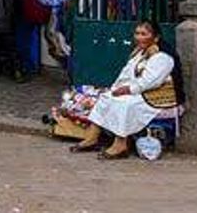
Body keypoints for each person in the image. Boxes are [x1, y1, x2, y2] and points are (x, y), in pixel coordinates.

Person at [70, 20, 178, 160]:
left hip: (155, 97)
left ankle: (121, 144)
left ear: (155, 37)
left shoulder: (163, 57)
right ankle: (92, 138)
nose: (139, 37)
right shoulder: (139, 53)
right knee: (106, 98)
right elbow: (126, 74)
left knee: (124, 104)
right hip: (137, 92)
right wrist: (116, 88)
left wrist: (128, 89)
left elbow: (151, 82)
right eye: (137, 33)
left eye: (144, 34)